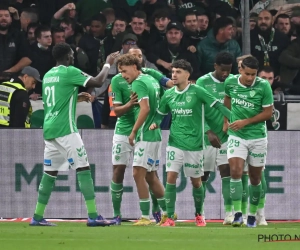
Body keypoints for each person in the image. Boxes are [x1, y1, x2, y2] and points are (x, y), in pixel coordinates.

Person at [29, 42, 120, 227]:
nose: (73, 58)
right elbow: (98, 81)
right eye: (72, 55)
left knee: (49, 173)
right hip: (66, 130)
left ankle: (37, 217)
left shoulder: (48, 75)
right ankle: (93, 215)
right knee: (83, 168)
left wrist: (76, 97)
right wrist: (108, 63)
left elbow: (54, 101)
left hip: (50, 130)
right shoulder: (69, 71)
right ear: (68, 56)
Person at [149, 59, 231, 227]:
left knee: (196, 181)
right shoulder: (169, 94)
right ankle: (170, 217)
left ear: (187, 74)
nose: (174, 75)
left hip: (194, 144)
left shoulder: (197, 91)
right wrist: (155, 122)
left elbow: (217, 105)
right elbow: (160, 113)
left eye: (178, 72)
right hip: (175, 142)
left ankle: (199, 214)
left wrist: (233, 117)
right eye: (173, 72)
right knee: (171, 177)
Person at [110, 47, 173, 225]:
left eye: (124, 70)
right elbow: (116, 110)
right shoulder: (138, 80)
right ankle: (166, 213)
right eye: (120, 70)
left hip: (143, 131)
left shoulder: (143, 79)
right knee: (141, 173)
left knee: (140, 173)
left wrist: (135, 131)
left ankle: (148, 215)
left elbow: (146, 107)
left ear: (136, 64)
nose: (122, 74)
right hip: (134, 130)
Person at [224, 56, 273, 228]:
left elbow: (268, 113)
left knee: (255, 177)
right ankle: (238, 214)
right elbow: (227, 99)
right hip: (236, 135)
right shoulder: (230, 82)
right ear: (240, 70)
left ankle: (253, 215)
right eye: (247, 74)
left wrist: (245, 121)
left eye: (253, 74)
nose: (250, 78)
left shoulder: (264, 86)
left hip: (258, 136)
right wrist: (225, 120)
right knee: (236, 171)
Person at [196, 52, 234, 225]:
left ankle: (229, 213)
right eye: (222, 70)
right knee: (203, 176)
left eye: (228, 70)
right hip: (207, 136)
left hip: (227, 136)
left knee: (227, 172)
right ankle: (200, 213)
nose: (225, 74)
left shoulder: (234, 82)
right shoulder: (203, 82)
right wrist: (207, 131)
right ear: (215, 66)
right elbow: (197, 110)